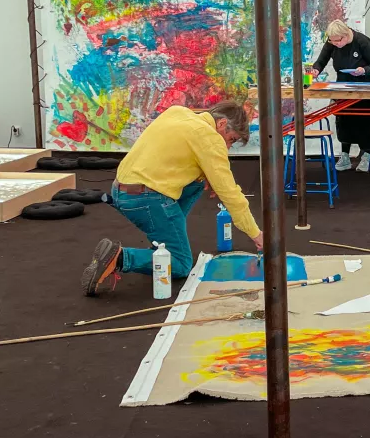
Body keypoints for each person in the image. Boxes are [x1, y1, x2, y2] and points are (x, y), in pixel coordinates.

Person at [80, 102, 263, 296]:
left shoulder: (177, 112)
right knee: (181, 264)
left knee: (198, 182)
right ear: (222, 123)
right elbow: (230, 194)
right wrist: (256, 234)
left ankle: (164, 238)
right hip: (146, 199)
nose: (227, 147)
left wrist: (206, 175)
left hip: (122, 191)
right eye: (231, 139)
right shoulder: (209, 138)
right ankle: (119, 257)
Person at [311, 19, 370, 172]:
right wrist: (315, 70)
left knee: (366, 121)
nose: (335, 44)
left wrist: (363, 70)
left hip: (366, 85)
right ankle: (345, 156)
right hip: (344, 86)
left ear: (346, 35)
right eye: (332, 41)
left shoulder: (363, 42)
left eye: (338, 41)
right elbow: (321, 61)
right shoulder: (332, 42)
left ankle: (366, 156)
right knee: (344, 119)